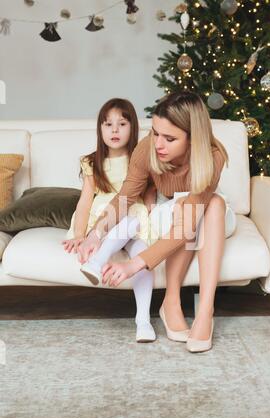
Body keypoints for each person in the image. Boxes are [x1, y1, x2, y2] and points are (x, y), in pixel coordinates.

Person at [77, 92, 237, 353]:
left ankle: (205, 310)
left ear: (192, 138)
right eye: (155, 133)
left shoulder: (213, 155)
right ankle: (171, 301)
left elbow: (191, 219)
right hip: (167, 215)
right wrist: (96, 234)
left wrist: (134, 265)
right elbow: (125, 198)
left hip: (211, 218)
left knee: (213, 203)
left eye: (170, 138)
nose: (158, 144)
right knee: (186, 208)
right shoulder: (147, 148)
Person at [62, 98, 157, 343]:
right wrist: (80, 234)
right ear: (100, 129)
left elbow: (148, 194)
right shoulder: (92, 161)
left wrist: (153, 219)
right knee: (126, 222)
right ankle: (99, 256)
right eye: (108, 124)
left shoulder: (141, 157)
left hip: (133, 216)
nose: (114, 130)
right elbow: (84, 202)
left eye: (122, 124)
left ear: (133, 127)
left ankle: (143, 321)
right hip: (104, 219)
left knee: (142, 254)